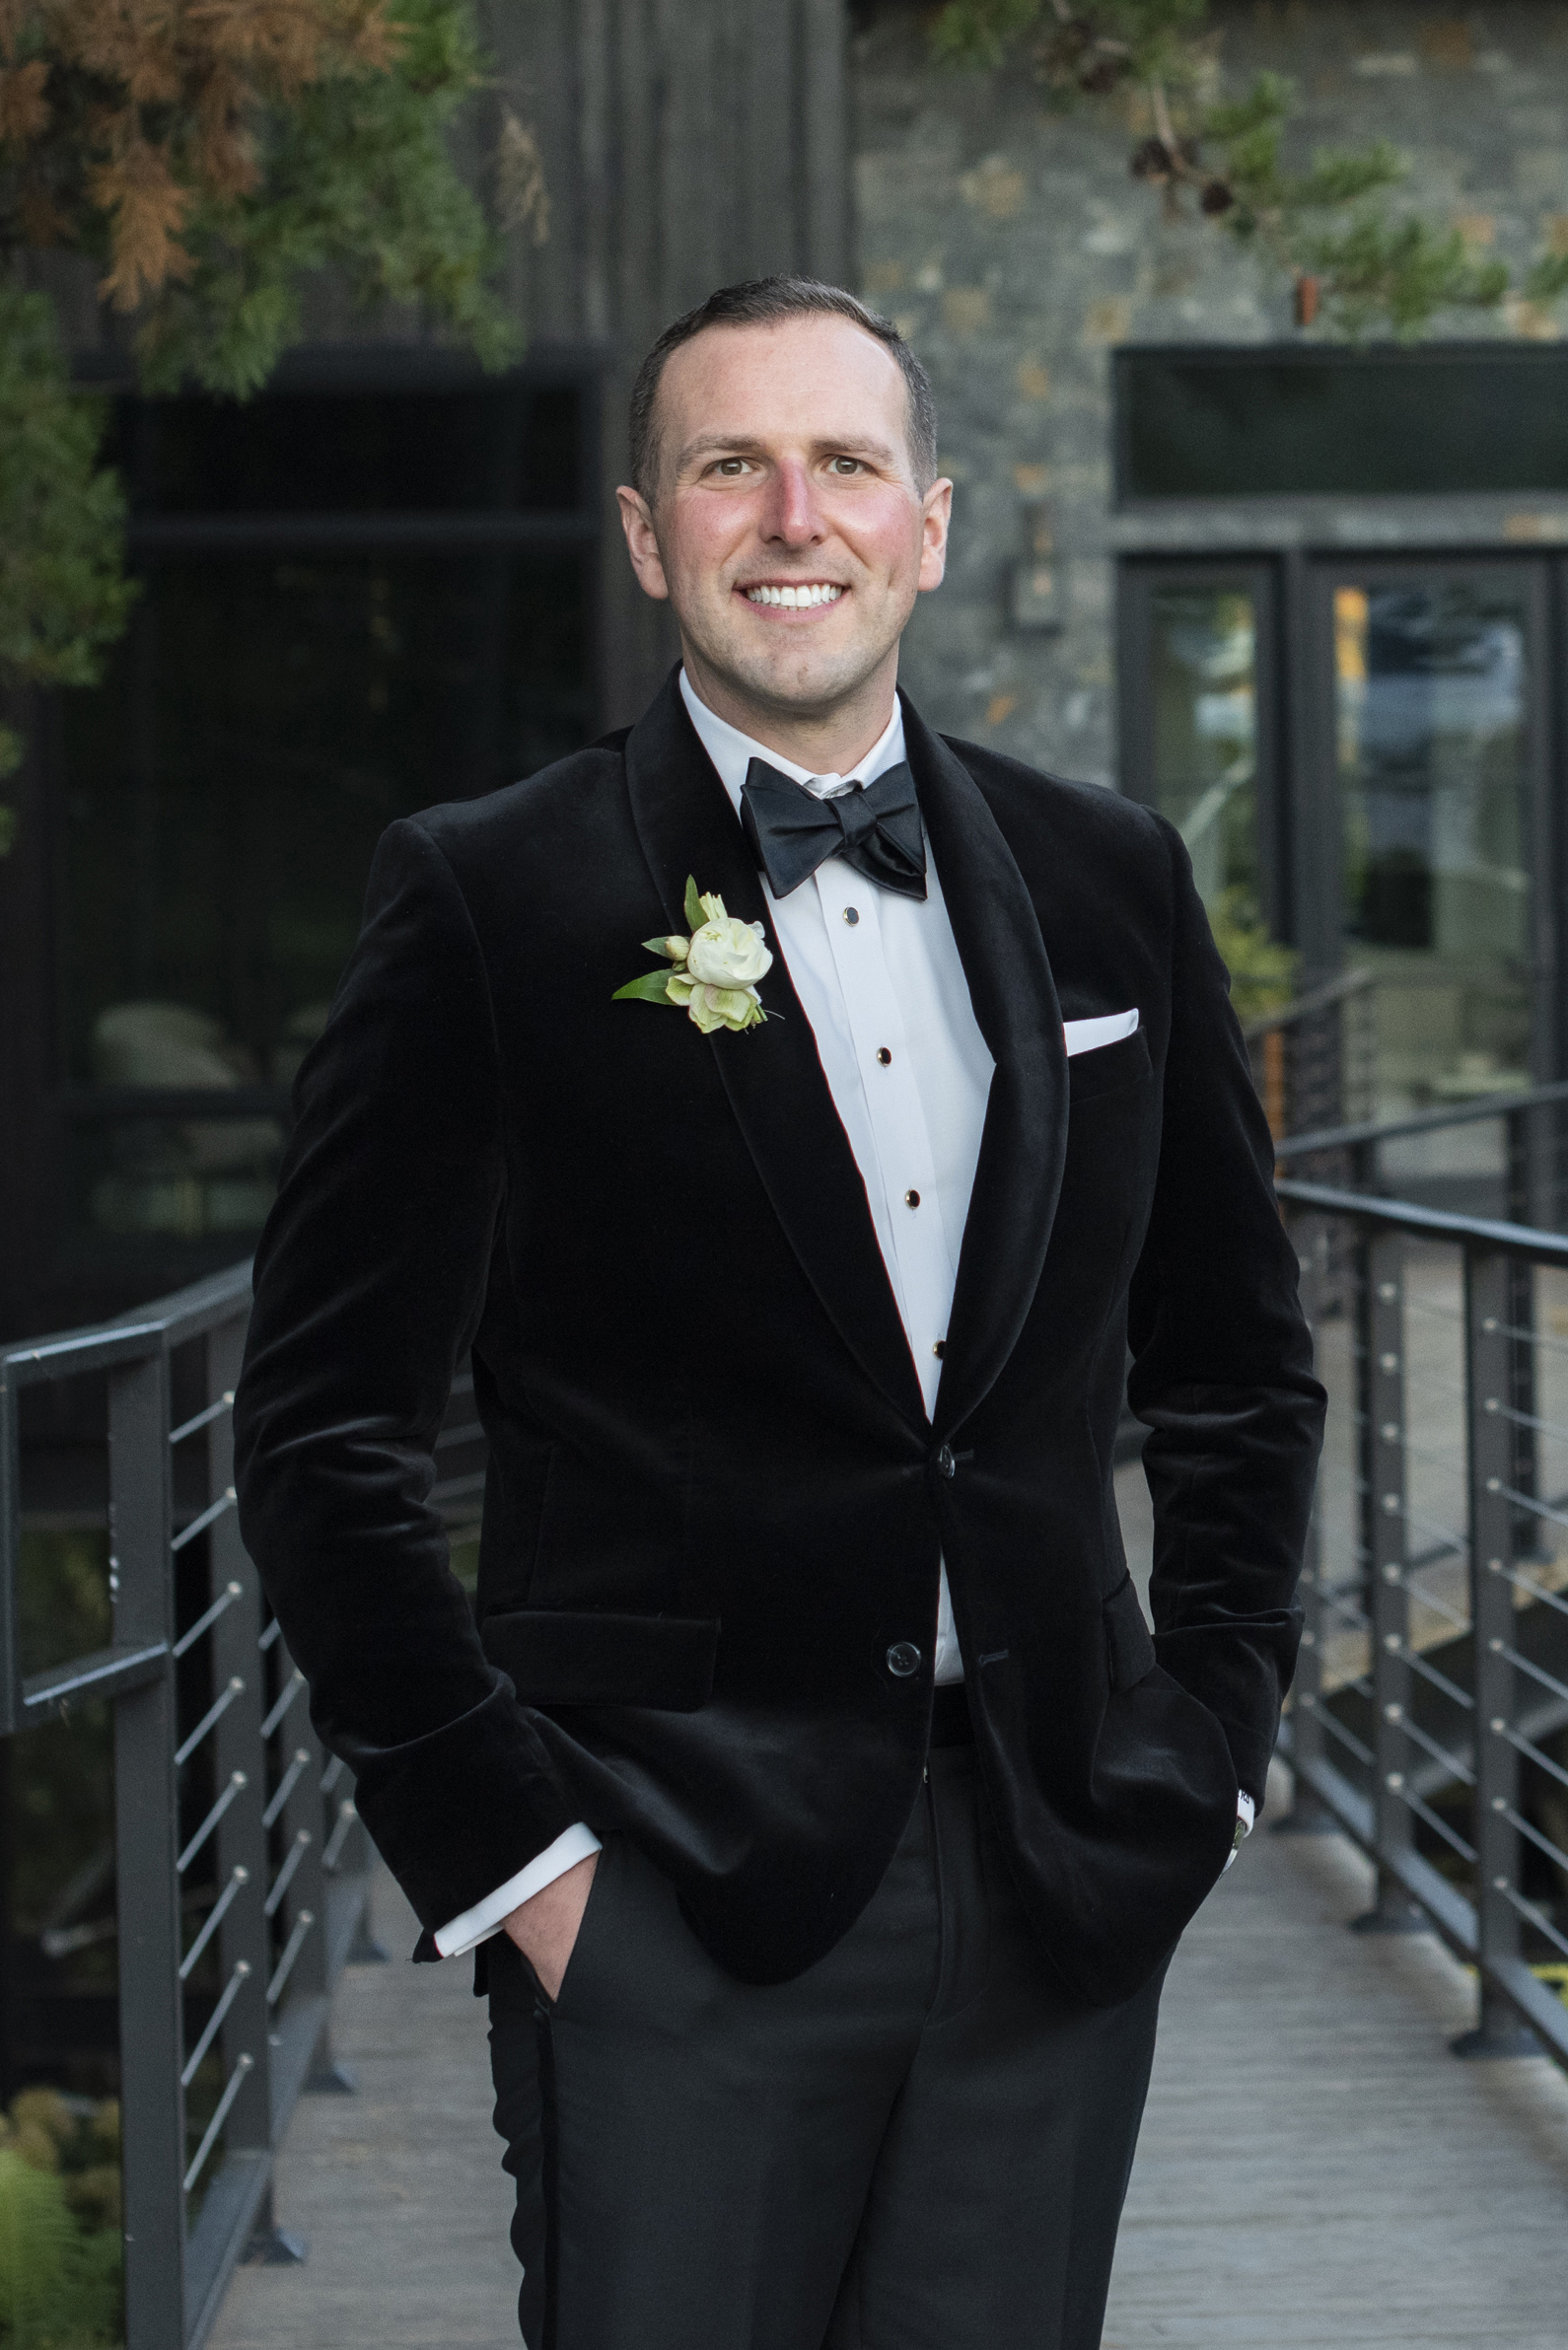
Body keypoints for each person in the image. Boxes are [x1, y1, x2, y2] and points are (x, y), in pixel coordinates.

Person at [234, 275, 1325, 2350]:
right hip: (663, 1889)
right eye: (730, 465)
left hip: (1058, 1871)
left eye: (843, 465)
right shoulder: (488, 895)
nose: (790, 516)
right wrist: (526, 1869)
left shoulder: (1112, 877)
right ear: (652, 536)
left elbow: (1241, 1367)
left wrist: (1218, 1739)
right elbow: (319, 1442)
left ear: (929, 519)